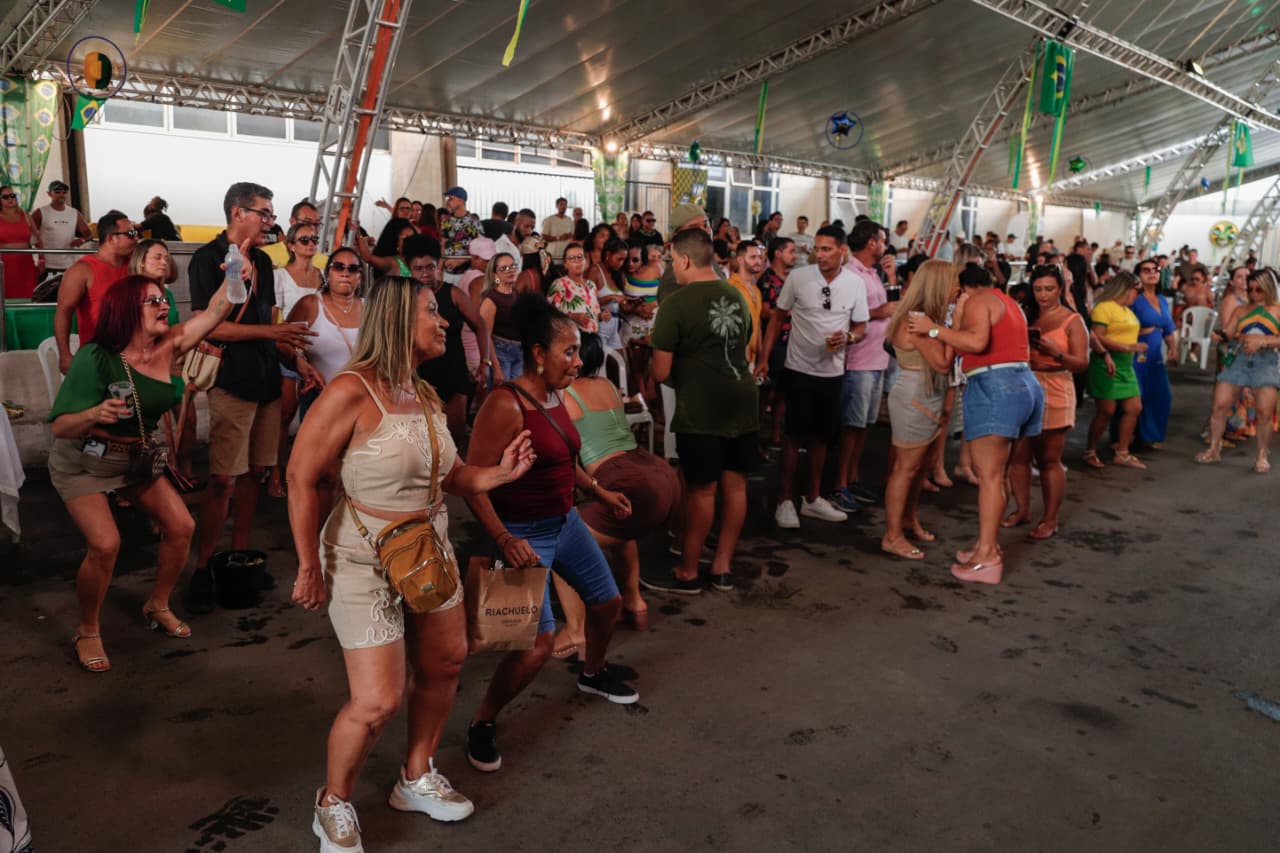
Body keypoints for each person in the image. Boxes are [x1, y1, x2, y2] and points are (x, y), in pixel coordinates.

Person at [288, 275, 537, 849]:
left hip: (428, 549)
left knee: (448, 661)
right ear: (401, 319)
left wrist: (499, 474)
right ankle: (333, 802)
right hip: (362, 556)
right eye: (434, 311)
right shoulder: (350, 391)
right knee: (377, 699)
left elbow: (449, 477)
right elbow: (300, 477)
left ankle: (416, 775)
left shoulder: (421, 392)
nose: (446, 321)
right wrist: (307, 565)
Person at [463, 293, 640, 775]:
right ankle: (482, 720)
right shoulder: (504, 404)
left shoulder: (559, 393)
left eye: (578, 351)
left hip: (564, 523)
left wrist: (599, 492)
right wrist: (503, 539)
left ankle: (592, 672)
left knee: (607, 604)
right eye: (568, 351)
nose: (577, 361)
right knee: (533, 647)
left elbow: (564, 458)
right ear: (538, 354)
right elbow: (473, 483)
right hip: (517, 535)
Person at [49, 272, 236, 672]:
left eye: (164, 298)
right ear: (124, 311)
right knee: (105, 544)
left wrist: (238, 262)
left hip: (133, 458)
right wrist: (94, 412)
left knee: (182, 527)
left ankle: (157, 604)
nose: (163, 305)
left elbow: (218, 310)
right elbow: (61, 426)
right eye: (152, 301)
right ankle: (87, 629)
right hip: (82, 462)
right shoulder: (95, 356)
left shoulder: (170, 344)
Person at [186, 182, 324, 614]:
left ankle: (240, 555)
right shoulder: (206, 259)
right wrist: (274, 333)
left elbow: (268, 322)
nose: (270, 221)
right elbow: (210, 327)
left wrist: (297, 361)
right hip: (232, 380)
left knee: (255, 476)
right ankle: (204, 566)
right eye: (263, 213)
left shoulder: (264, 261)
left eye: (270, 213)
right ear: (236, 213)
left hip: (266, 379)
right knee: (223, 480)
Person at [907, 262, 1044, 584]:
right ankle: (987, 545)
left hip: (996, 385)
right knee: (997, 473)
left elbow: (977, 343)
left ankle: (988, 558)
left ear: (966, 287)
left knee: (990, 476)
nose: (954, 297)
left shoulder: (979, 301)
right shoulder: (1007, 302)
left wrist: (932, 329)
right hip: (1024, 385)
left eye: (956, 291)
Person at [552, 331, 680, 655]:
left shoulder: (565, 396)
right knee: (622, 527)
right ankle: (635, 603)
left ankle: (575, 631)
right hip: (658, 474)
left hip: (626, 481)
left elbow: (563, 458)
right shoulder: (609, 386)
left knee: (561, 543)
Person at [649, 228, 756, 593]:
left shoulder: (675, 305)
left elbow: (660, 371)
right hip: (743, 398)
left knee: (702, 490)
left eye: (672, 261)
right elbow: (744, 344)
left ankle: (688, 571)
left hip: (703, 404)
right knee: (736, 485)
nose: (671, 268)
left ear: (684, 259)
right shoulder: (736, 295)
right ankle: (723, 566)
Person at [756, 224, 868, 528]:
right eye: (817, 248)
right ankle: (784, 501)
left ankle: (812, 498)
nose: (819, 255)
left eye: (826, 249)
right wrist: (765, 358)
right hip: (798, 370)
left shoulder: (855, 284)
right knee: (792, 437)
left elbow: (861, 327)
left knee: (821, 438)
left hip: (832, 373)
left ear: (842, 251)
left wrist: (848, 338)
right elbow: (777, 317)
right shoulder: (799, 278)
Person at [1003, 266, 1089, 539]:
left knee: (1049, 458)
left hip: (1055, 385)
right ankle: (1022, 509)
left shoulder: (1072, 320)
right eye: (1038, 289)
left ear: (1060, 290)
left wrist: (1056, 354)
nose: (1043, 295)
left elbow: (1082, 363)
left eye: (1049, 289)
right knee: (1019, 456)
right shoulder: (1026, 313)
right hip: (1024, 383)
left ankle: (1050, 519)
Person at [881, 260, 956, 559]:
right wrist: (948, 331)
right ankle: (892, 535)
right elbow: (942, 363)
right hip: (915, 396)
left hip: (926, 394)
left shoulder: (927, 321)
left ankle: (908, 519)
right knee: (906, 468)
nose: (959, 289)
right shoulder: (918, 322)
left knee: (920, 467)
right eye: (953, 283)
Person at [832, 221, 895, 511]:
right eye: (882, 239)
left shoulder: (872, 272)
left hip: (876, 359)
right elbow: (842, 313)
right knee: (851, 427)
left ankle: (853, 479)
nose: (885, 245)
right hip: (859, 360)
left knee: (864, 426)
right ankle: (840, 484)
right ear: (871, 243)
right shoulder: (850, 273)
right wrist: (879, 312)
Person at [408, 238, 491, 444]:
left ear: (439, 266)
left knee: (454, 437)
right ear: (409, 269)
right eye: (418, 269)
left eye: (430, 267)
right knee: (422, 441)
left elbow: (480, 325)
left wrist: (485, 362)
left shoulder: (453, 293)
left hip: (453, 372)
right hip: (419, 376)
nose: (425, 273)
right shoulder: (406, 297)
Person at [1197, 268, 1280, 473]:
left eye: (1258, 289)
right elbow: (1229, 333)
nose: (1253, 294)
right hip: (1239, 360)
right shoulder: (1241, 310)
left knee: (1264, 412)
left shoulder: (1277, 310)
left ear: (1268, 288)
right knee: (1220, 405)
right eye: (1250, 289)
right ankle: (1214, 448)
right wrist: (1221, 336)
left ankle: (1262, 454)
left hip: (1266, 362)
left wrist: (1264, 341)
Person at [266, 222, 325, 498]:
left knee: (313, 417)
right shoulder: (280, 277)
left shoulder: (322, 275)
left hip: (316, 351)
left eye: (313, 239)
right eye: (303, 240)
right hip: (288, 350)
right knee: (285, 415)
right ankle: (276, 473)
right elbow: (273, 318)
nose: (310, 244)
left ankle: (306, 472)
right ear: (290, 245)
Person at [54, 211, 136, 372]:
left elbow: (170, 276)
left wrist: (156, 252)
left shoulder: (135, 265)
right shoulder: (82, 270)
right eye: (131, 234)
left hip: (135, 356)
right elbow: (63, 311)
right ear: (112, 238)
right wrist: (65, 355)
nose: (136, 238)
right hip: (99, 358)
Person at [1082, 272, 1147, 470]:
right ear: (1125, 289)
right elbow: (1097, 337)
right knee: (1106, 411)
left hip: (1126, 365)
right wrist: (1127, 347)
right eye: (1136, 291)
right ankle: (1090, 450)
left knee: (1134, 408)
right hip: (1106, 362)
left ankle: (1123, 451)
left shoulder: (1127, 310)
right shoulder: (1104, 308)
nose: (1138, 295)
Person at [1129, 258, 1178, 448]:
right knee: (1136, 397)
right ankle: (1128, 437)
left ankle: (1150, 435)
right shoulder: (1134, 299)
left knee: (1160, 395)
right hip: (1136, 354)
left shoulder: (1162, 300)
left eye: (1155, 269)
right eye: (1146, 270)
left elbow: (1168, 328)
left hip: (1156, 356)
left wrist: (1173, 348)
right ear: (1138, 275)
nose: (1152, 272)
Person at [32, 180, 90, 283]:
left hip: (69, 265)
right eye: (57, 192)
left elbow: (88, 234)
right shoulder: (40, 212)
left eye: (64, 192)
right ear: (49, 194)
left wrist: (81, 240)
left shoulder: (74, 213)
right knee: (47, 298)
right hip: (47, 265)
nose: (61, 194)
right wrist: (40, 258)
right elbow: (31, 235)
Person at [656, 203, 710, 303]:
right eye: (694, 227)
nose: (704, 231)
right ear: (677, 235)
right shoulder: (675, 275)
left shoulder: (706, 261)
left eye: (706, 225)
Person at [481, 252, 522, 381]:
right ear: (495, 275)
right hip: (501, 352)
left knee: (516, 395)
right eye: (504, 269)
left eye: (512, 266)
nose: (510, 271)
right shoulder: (491, 299)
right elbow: (486, 337)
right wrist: (496, 367)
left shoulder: (516, 293)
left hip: (519, 351)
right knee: (502, 395)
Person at [547, 242, 602, 333]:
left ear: (585, 260)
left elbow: (594, 314)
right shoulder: (560, 284)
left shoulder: (591, 285)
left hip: (593, 339)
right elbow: (549, 314)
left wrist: (601, 316)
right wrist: (572, 316)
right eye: (572, 258)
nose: (577, 261)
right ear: (565, 264)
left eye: (580, 257)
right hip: (570, 339)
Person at [726, 240, 765, 367]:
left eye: (760, 257)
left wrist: (762, 357)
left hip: (752, 358)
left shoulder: (756, 290)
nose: (758, 261)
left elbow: (757, 323)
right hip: (735, 358)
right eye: (753, 257)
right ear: (740, 260)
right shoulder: (731, 287)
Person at [0, 185, 41, 299]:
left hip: (26, 264)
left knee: (28, 295)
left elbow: (38, 240)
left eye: (13, 195)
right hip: (4, 264)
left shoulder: (26, 215)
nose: (10, 199)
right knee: (6, 297)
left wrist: (42, 260)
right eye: (5, 196)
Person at [262, 200, 327, 269]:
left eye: (316, 224)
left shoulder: (325, 263)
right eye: (307, 222)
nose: (312, 228)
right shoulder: (264, 255)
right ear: (292, 221)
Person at [439, 187, 482, 280]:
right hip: (447, 273)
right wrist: (439, 269)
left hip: (466, 273)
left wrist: (461, 260)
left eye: (451, 199)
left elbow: (481, 248)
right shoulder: (446, 221)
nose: (448, 202)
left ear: (461, 200)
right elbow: (443, 245)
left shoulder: (473, 221)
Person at [542, 197, 574, 261]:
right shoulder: (549, 219)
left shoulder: (569, 220)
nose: (563, 206)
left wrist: (568, 236)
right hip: (552, 254)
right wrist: (558, 238)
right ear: (557, 206)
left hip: (565, 253)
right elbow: (544, 236)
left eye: (565, 204)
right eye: (561, 204)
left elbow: (572, 235)